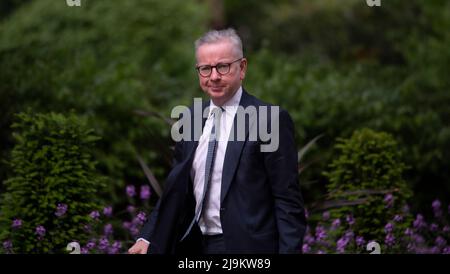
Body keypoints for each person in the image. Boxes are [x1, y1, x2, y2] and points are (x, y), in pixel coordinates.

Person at [128, 28, 306, 254]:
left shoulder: (268, 120)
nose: (214, 76)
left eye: (223, 66)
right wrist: (147, 236)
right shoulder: (190, 118)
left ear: (242, 68)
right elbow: (175, 190)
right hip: (192, 246)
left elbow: (287, 202)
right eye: (205, 68)